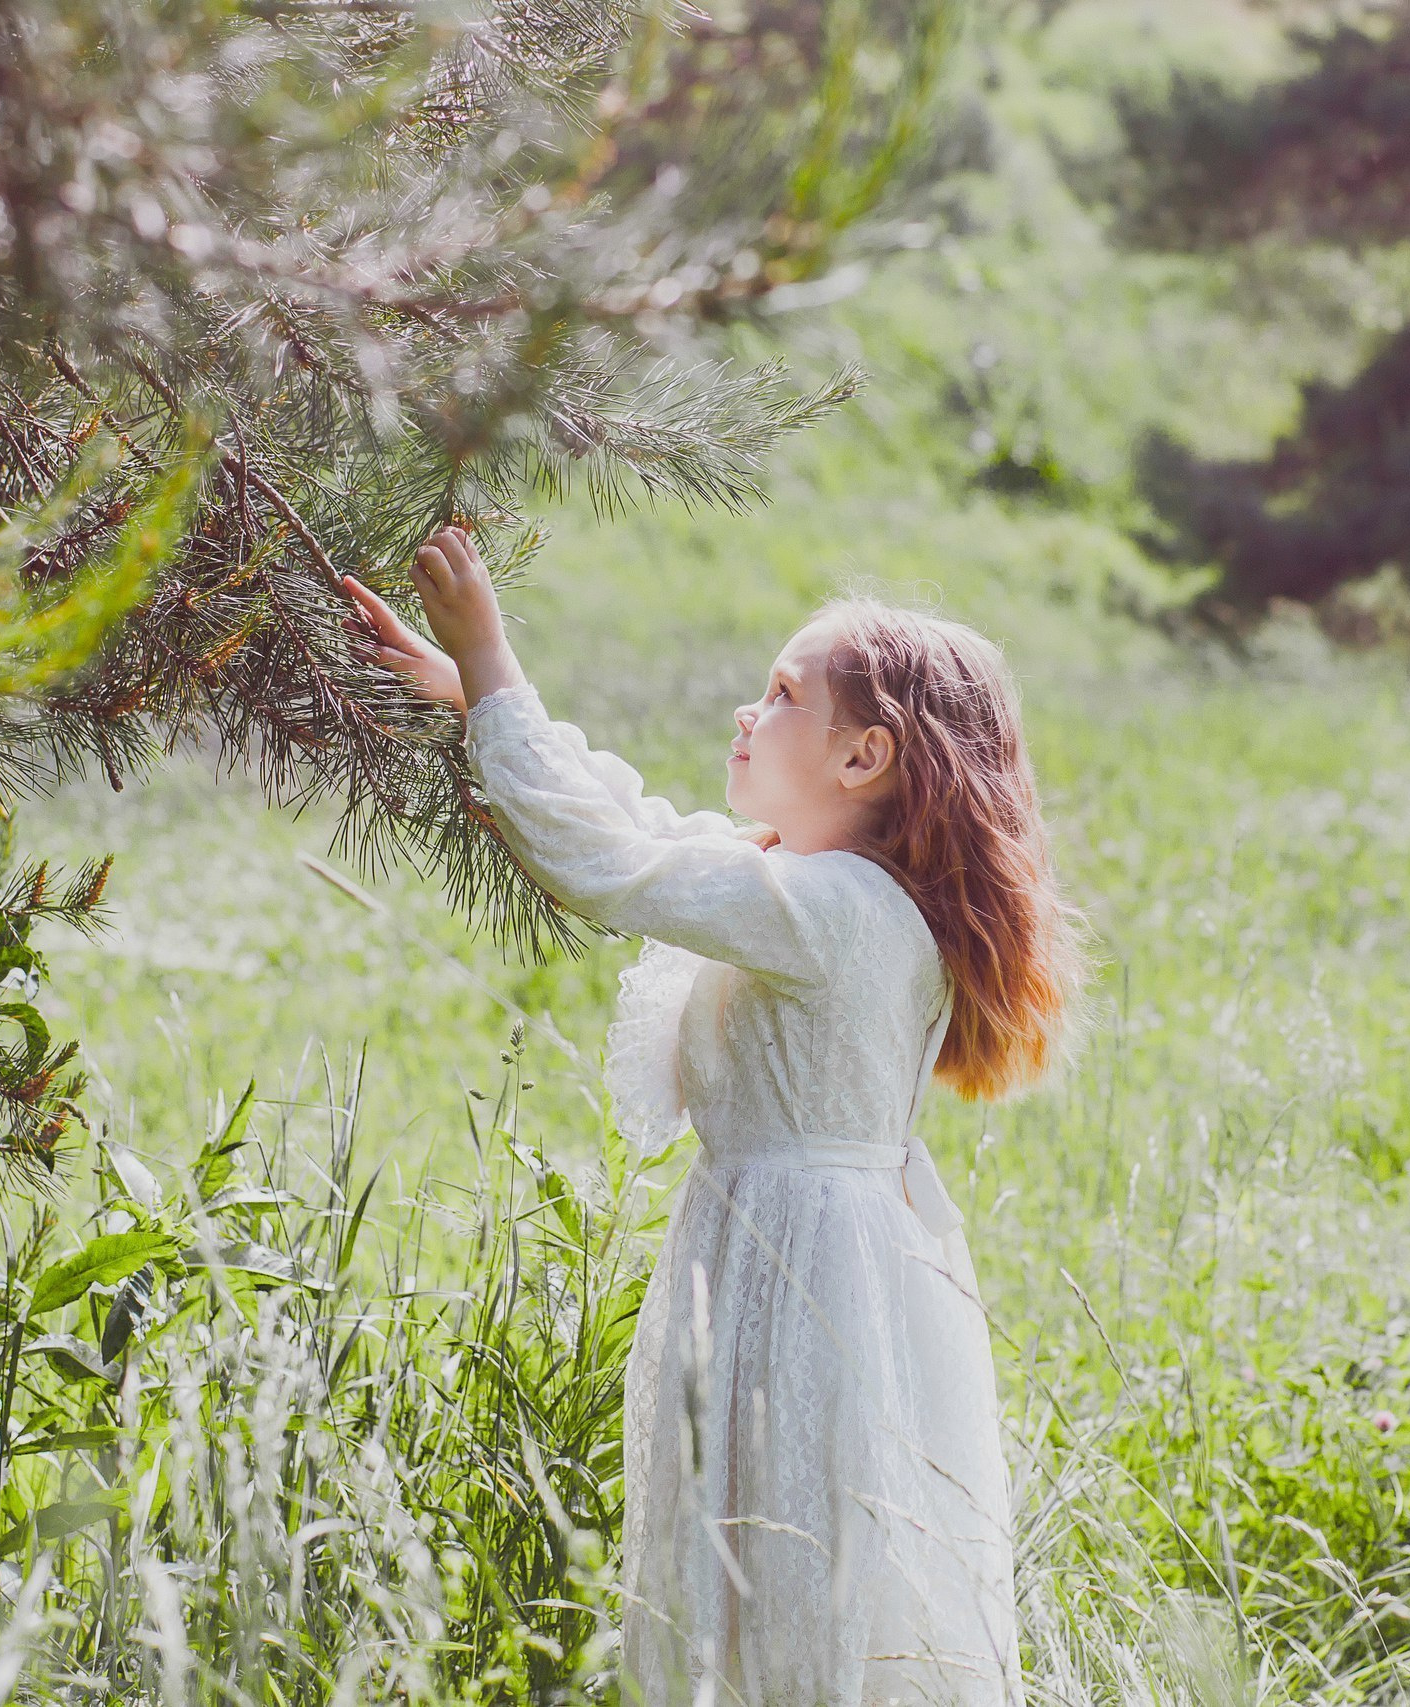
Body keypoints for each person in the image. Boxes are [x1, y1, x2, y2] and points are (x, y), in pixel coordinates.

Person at [341, 528, 1084, 1707]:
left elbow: (612, 864)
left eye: (783, 695)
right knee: (776, 1564)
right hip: (802, 1250)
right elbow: (649, 832)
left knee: (790, 1564)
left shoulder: (831, 909)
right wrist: (473, 693)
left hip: (802, 1272)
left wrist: (488, 653)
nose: (748, 710)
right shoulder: (810, 887)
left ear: (863, 756)